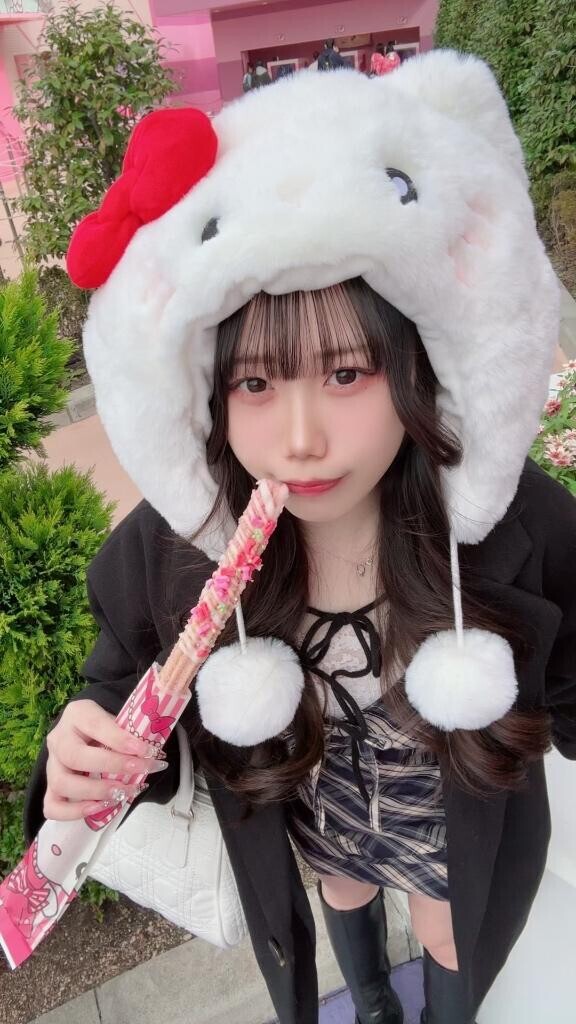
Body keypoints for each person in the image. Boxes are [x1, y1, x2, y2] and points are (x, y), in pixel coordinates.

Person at [25, 51, 576, 1024]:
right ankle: (371, 1004)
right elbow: (118, 679)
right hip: (325, 822)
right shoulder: (178, 548)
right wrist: (84, 745)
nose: (301, 438)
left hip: (450, 834)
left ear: (414, 365)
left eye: (348, 373)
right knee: (345, 893)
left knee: (453, 937)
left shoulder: (514, 525)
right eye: (256, 383)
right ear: (211, 393)